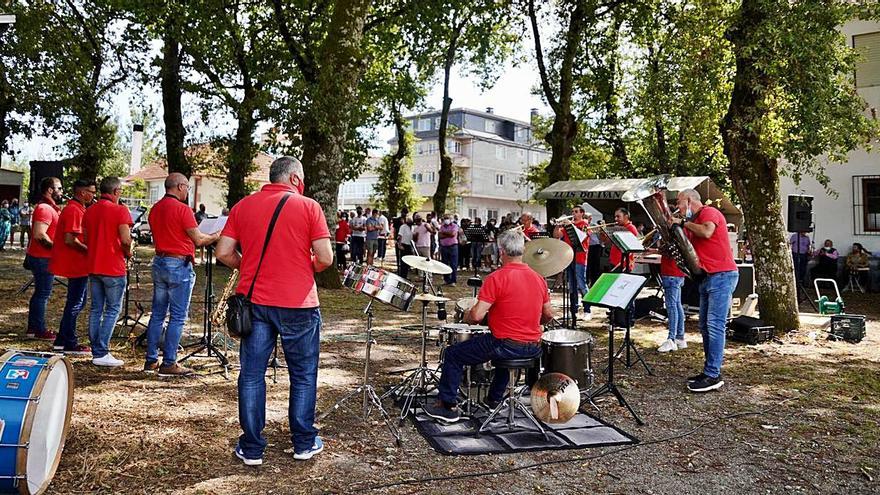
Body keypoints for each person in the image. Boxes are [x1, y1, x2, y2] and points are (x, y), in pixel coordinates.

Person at [215, 156, 333, 465]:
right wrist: (303, 266)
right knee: (303, 375)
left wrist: (250, 266)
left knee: (252, 375)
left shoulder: (243, 206)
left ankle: (252, 447)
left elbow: (223, 251)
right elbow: (325, 258)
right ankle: (304, 442)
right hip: (299, 304)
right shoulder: (309, 207)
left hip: (255, 302)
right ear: (295, 178)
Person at [423, 230, 554, 423]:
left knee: (453, 354)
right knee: (504, 353)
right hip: (533, 346)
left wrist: (467, 316)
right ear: (523, 250)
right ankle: (493, 400)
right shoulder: (538, 278)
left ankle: (448, 406)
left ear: (501, 251)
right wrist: (532, 323)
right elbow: (549, 314)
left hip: (505, 344)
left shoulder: (497, 277)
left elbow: (476, 316)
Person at [143, 173, 221, 376]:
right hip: (178, 264)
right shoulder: (182, 209)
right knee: (177, 316)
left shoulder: (155, 209)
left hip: (159, 260)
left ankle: (151, 360)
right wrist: (217, 235)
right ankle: (169, 362)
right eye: (187, 187)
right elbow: (198, 240)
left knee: (158, 314)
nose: (188, 191)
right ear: (179, 186)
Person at [670, 189, 738, 393]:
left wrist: (681, 223)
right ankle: (710, 370)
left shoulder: (709, 213)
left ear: (690, 200)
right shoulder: (692, 223)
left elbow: (707, 232)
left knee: (714, 325)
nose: (678, 208)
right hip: (708, 277)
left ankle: (713, 374)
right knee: (705, 326)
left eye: (680, 203)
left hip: (722, 275)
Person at [83, 177, 133, 367]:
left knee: (96, 308)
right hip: (113, 266)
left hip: (94, 266)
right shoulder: (120, 210)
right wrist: (128, 254)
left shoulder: (89, 210)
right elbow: (126, 240)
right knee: (113, 309)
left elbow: (87, 238)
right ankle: (102, 351)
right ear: (116, 191)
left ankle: (96, 350)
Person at [48, 179, 97, 355]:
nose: (94, 195)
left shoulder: (78, 209)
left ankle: (62, 340)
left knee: (76, 302)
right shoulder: (74, 210)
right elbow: (70, 239)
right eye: (91, 192)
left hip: (78, 263)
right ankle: (69, 342)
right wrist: (90, 251)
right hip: (75, 263)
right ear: (82, 193)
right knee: (76, 303)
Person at [25, 177, 63, 341]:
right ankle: (38, 329)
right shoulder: (45, 208)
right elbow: (40, 234)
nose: (62, 192)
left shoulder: (49, 208)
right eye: (59, 188)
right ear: (50, 190)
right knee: (43, 294)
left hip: (43, 257)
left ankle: (34, 328)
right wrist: (57, 249)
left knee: (40, 293)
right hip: (42, 258)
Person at [554, 206, 590, 324]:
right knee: (571, 285)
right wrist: (557, 224)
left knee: (581, 284)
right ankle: (573, 310)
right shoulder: (568, 225)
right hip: (569, 257)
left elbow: (582, 235)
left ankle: (587, 310)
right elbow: (557, 235)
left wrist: (570, 224)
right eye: (572, 212)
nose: (573, 214)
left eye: (576, 212)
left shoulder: (584, 224)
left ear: (582, 213)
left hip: (580, 258)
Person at [656, 252, 687, 352]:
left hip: (670, 273)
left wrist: (653, 249)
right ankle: (680, 338)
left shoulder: (670, 237)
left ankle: (671, 339)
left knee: (671, 306)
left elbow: (665, 251)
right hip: (678, 273)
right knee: (677, 305)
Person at [609, 207, 639, 272]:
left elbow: (628, 246)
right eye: (615, 217)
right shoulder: (620, 227)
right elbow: (606, 242)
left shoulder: (631, 227)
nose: (615, 219)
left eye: (618, 216)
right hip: (614, 262)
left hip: (623, 264)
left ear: (626, 217)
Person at [438, 213, 459, 285]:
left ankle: (453, 280)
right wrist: (448, 234)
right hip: (444, 247)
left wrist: (444, 233)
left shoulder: (454, 226)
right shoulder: (442, 226)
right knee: (445, 264)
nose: (446, 219)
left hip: (453, 246)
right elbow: (440, 235)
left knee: (453, 264)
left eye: (447, 218)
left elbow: (453, 234)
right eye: (445, 218)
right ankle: (446, 279)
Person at [392, 208, 409, 274]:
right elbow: (395, 230)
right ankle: (399, 269)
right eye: (404, 212)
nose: (404, 214)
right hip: (399, 240)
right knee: (398, 255)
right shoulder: (397, 220)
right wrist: (395, 239)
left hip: (406, 241)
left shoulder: (408, 221)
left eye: (406, 213)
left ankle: (404, 270)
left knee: (405, 256)